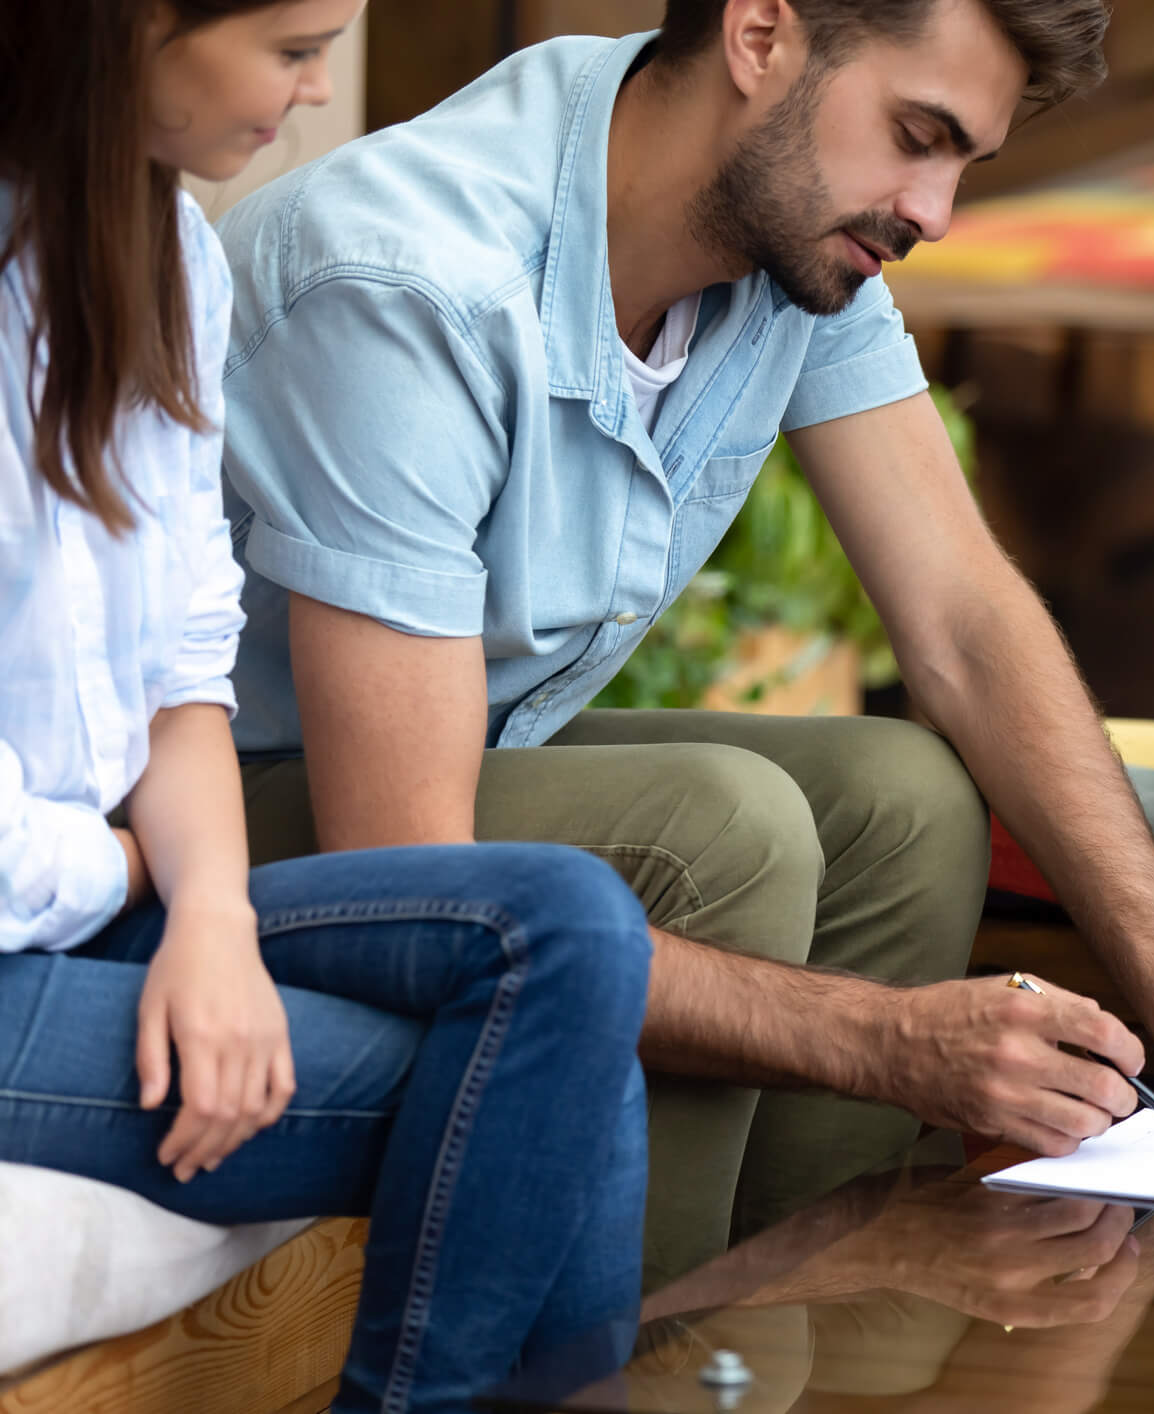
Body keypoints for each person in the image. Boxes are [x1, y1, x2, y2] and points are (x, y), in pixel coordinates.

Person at [207, 0, 1154, 1286]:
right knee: (718, 824)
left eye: (962, 164)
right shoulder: (411, 276)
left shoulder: (784, 236)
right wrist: (884, 1041)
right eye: (917, 136)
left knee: (905, 796)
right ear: (760, 35)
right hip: (208, 833)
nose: (933, 211)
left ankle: (805, 1336)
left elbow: (968, 625)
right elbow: (402, 854)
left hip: (441, 762)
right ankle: (640, 1367)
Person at [0, 4, 654, 1409]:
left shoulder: (159, 255)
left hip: (88, 903)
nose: (312, 96)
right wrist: (144, 880)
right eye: (293, 45)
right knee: (575, 1077)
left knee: (573, 929)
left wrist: (216, 925)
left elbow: (184, 665)